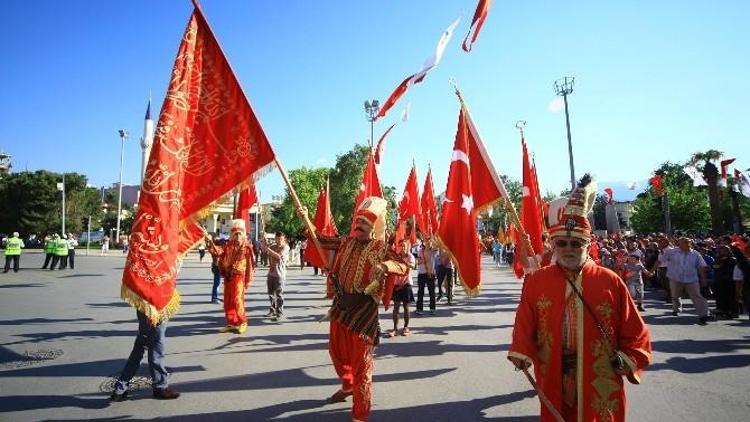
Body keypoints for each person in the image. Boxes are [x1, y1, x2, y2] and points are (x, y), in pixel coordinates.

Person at [508, 175, 651, 421]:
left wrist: (630, 357)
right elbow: (525, 319)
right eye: (561, 243)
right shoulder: (537, 280)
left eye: (576, 243)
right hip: (553, 366)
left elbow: (635, 328)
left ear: (587, 245)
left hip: (599, 370)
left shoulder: (610, 280)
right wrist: (521, 351)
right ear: (553, 245)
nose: (568, 248)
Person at [302, 197, 408, 422]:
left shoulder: (381, 248)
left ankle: (360, 414)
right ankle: (348, 385)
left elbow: (405, 264)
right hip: (341, 307)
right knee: (336, 353)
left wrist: (385, 265)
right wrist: (306, 220)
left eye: (364, 224)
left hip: (364, 312)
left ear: (373, 228)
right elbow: (319, 239)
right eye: (357, 222)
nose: (359, 226)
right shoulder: (345, 242)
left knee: (362, 365)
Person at [110, 309, 181, 402]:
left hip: (149, 305)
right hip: (154, 306)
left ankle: (120, 388)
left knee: (141, 346)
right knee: (156, 346)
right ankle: (160, 387)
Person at [205, 219, 255, 334]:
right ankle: (231, 322)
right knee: (227, 300)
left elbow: (250, 265)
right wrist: (209, 241)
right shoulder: (228, 246)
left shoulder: (247, 248)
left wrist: (248, 279)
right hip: (228, 276)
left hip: (239, 277)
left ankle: (243, 322)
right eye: (235, 234)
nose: (237, 236)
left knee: (237, 299)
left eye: (239, 234)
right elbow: (218, 252)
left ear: (243, 235)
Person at [662, 237, 711, 324]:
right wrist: (652, 270)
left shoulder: (695, 254)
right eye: (684, 242)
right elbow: (660, 261)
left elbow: (701, 266)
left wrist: (703, 278)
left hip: (691, 278)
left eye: (688, 242)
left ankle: (704, 315)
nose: (686, 244)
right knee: (675, 295)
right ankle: (676, 308)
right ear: (679, 244)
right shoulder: (672, 252)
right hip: (675, 277)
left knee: (697, 296)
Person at [389, 239, 416, 337]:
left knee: (406, 307)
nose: (402, 247)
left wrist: (405, 263)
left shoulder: (410, 256)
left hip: (406, 284)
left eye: (404, 246)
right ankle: (395, 329)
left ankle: (406, 327)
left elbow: (413, 266)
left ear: (407, 247)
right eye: (400, 246)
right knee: (396, 307)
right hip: (397, 284)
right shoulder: (396, 257)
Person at [262, 232, 290, 320]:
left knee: (279, 294)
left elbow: (278, 256)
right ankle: (272, 309)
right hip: (271, 273)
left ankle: (279, 311)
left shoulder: (285, 247)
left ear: (284, 239)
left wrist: (268, 249)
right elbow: (263, 249)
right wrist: (264, 240)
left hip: (280, 274)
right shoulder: (273, 246)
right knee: (270, 294)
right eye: (277, 239)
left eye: (281, 239)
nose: (279, 241)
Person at [415, 235, 438, 315]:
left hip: (431, 274)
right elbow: (418, 262)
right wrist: (422, 261)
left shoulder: (434, 250)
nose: (428, 242)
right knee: (420, 292)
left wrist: (433, 236)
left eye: (429, 240)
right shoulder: (420, 251)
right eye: (426, 240)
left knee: (432, 292)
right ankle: (419, 308)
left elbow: (439, 244)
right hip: (422, 273)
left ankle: (432, 308)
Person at [209, 236, 223, 304]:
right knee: (216, 283)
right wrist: (210, 241)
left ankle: (216, 296)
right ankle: (214, 297)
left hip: (219, 267)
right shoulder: (215, 249)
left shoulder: (219, 248)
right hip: (216, 267)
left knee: (218, 283)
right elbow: (217, 252)